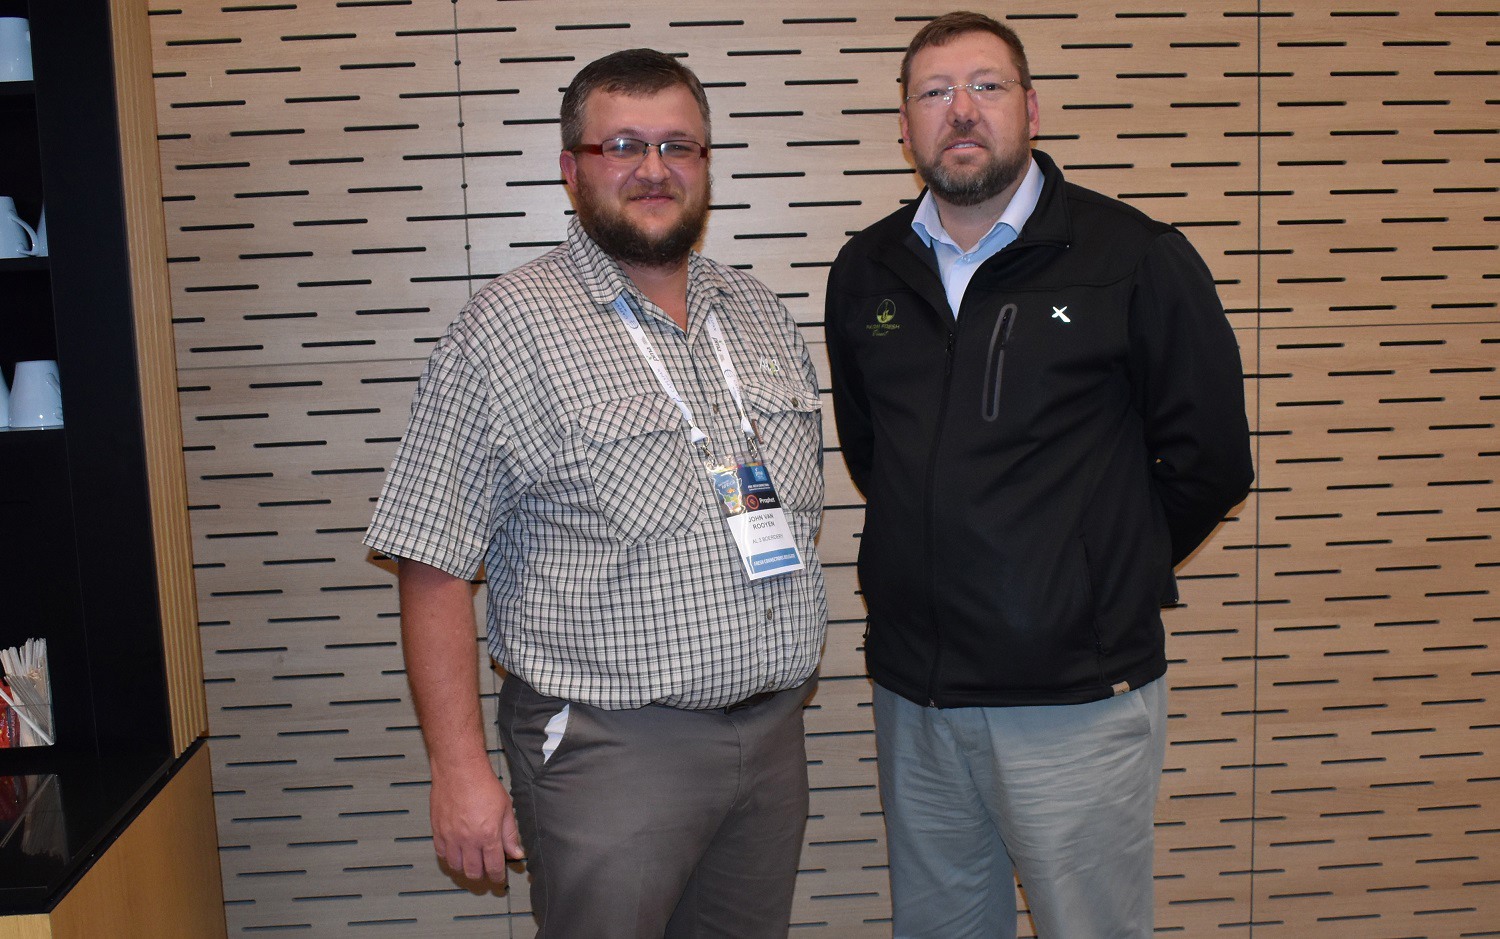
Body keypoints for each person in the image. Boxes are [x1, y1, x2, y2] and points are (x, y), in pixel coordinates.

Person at [365, 48, 827, 938]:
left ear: (705, 165)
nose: (654, 169)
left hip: (772, 740)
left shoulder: (759, 312)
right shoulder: (507, 328)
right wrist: (457, 770)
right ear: (571, 169)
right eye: (622, 145)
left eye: (678, 146)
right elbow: (431, 559)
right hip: (609, 751)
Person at [823, 12, 1254, 939]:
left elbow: (1213, 459)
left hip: (1074, 702)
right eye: (934, 92)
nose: (961, 110)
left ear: (1032, 108)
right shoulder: (865, 271)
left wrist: (1091, 573)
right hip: (916, 697)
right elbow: (877, 457)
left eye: (986, 86)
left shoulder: (1133, 257)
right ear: (904, 124)